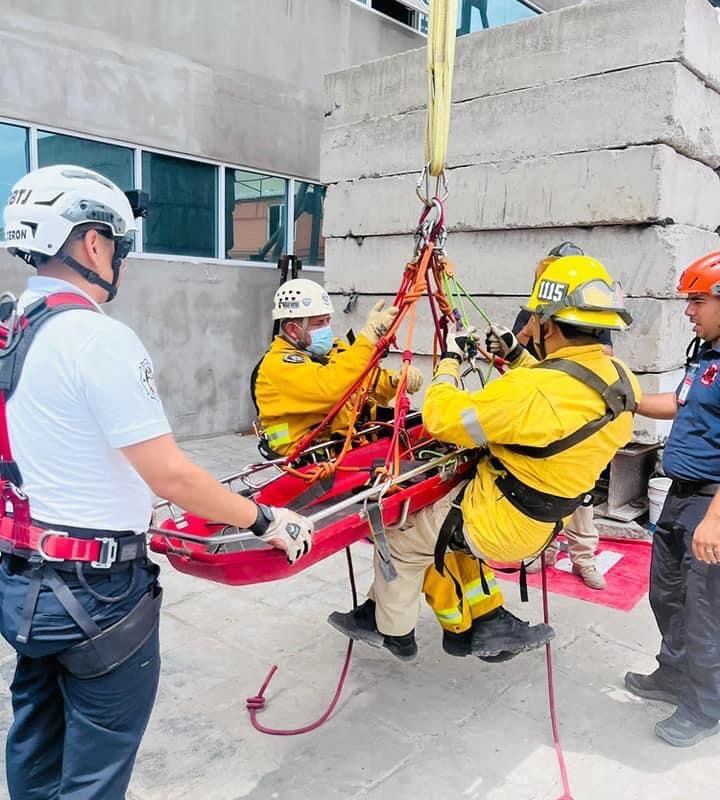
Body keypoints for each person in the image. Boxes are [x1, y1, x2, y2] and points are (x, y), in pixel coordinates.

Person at [0, 165, 314, 800]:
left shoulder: (12, 327)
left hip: (23, 582)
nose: (119, 260)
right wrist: (265, 520)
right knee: (95, 772)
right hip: (97, 595)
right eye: (118, 245)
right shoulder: (96, 338)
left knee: (36, 740)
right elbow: (170, 474)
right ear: (92, 243)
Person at [330, 254, 640, 663]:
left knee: (401, 535)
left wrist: (448, 364)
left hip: (500, 519)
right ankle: (485, 621)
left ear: (548, 325)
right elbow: (566, 388)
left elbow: (443, 420)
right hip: (549, 518)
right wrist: (516, 356)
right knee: (446, 535)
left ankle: (391, 630)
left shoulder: (530, 391)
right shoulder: (621, 379)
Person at [625, 250, 720, 747]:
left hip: (710, 504)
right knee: (666, 594)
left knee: (705, 611)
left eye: (698, 300)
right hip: (680, 497)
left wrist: (715, 521)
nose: (688, 310)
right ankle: (673, 674)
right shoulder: (706, 356)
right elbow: (679, 405)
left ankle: (704, 708)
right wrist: (626, 397)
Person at [515, 243, 614, 590]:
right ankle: (540, 550)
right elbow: (517, 349)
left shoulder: (591, 309)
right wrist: (531, 329)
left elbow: (604, 354)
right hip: (541, 406)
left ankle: (583, 557)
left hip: (576, 410)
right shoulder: (534, 310)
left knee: (579, 489)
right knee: (540, 484)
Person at [253, 278, 424, 459]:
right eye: (319, 323)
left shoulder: (333, 350)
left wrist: (394, 381)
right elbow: (330, 390)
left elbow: (365, 381)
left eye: (328, 320)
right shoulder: (278, 365)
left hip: (344, 447)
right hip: (305, 458)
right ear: (292, 330)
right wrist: (367, 339)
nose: (326, 328)